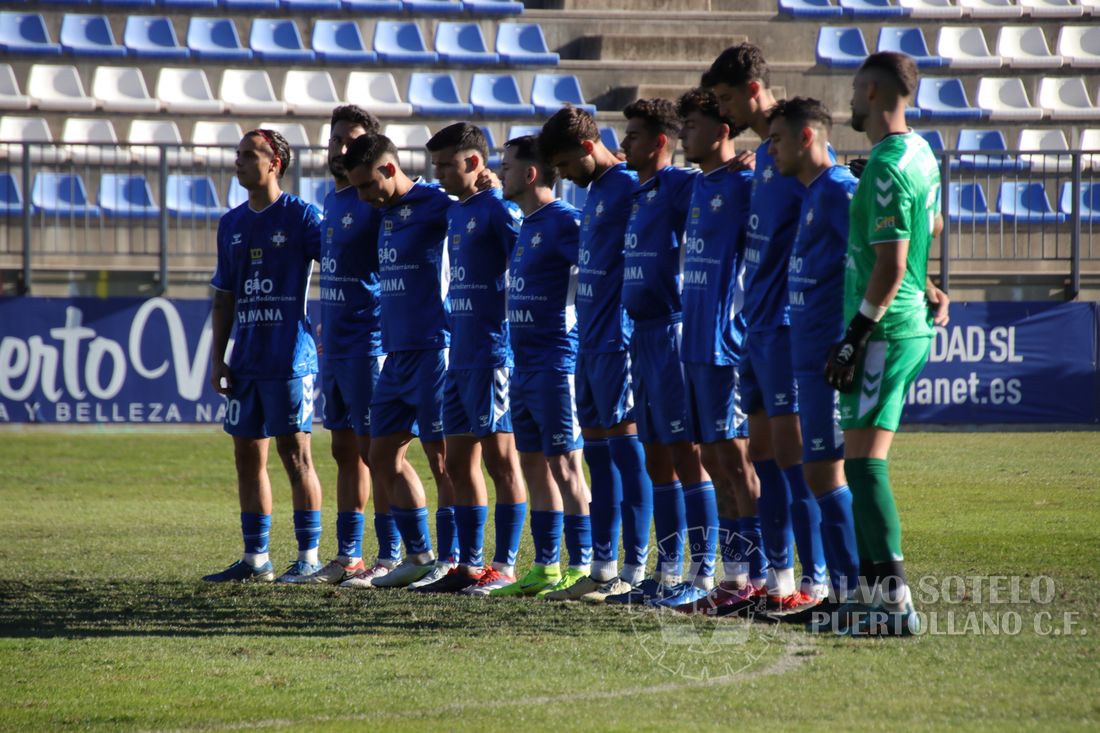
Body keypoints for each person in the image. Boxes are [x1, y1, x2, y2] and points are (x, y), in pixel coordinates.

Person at [821, 52, 947, 635]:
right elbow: (932, 227)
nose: (849, 100)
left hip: (887, 329)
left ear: (872, 92)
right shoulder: (922, 151)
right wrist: (929, 283)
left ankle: (894, 601)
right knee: (859, 461)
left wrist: (856, 334)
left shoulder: (887, 165)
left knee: (865, 466)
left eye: (853, 89)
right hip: (904, 320)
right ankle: (877, 594)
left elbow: (892, 262)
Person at [702, 44, 828, 614]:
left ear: (754, 89)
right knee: (763, 457)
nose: (723, 114)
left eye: (727, 99)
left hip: (784, 328)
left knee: (796, 458)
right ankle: (777, 580)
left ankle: (819, 579)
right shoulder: (761, 161)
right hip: (753, 329)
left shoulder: (800, 157)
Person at [288, 106, 404, 588]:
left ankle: (392, 554)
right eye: (334, 139)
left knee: (380, 452)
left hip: (369, 342)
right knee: (343, 450)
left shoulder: (378, 202)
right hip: (333, 345)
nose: (339, 148)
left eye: (350, 140)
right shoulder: (330, 202)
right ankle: (349, 556)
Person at [611, 97, 720, 609]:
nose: (623, 143)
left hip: (673, 332)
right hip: (643, 333)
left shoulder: (679, 185)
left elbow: (718, 189)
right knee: (657, 455)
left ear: (659, 141)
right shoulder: (639, 193)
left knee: (686, 455)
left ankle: (701, 573)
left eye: (632, 136)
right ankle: (668, 570)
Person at [203, 129, 325, 583]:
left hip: (289, 359)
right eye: (236, 154)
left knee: (297, 456)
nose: (238, 162)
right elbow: (224, 297)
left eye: (249, 155)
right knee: (246, 455)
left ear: (275, 163)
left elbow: (342, 268)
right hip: (247, 360)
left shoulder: (303, 217)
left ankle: (309, 557)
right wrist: (219, 359)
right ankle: (256, 561)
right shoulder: (231, 223)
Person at [540, 108, 651, 602]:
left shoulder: (628, 185)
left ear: (588, 148)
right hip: (589, 341)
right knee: (600, 460)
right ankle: (604, 568)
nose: (560, 175)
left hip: (619, 341)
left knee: (629, 456)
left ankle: (637, 567)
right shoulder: (597, 193)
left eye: (564, 164)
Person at [413, 122, 528, 594]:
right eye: (435, 165)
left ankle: (505, 565)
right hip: (459, 353)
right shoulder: (459, 213)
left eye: (445, 165)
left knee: (502, 461)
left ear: (474, 163)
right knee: (458, 462)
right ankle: (469, 563)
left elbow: (532, 267)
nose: (438, 174)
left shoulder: (501, 211)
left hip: (491, 354)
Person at [342, 133, 458, 589]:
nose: (366, 198)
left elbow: (480, 219)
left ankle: (451, 559)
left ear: (390, 169)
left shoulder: (437, 204)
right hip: (397, 352)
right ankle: (419, 554)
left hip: (435, 348)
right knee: (380, 453)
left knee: (443, 460)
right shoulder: (385, 212)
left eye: (369, 186)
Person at [765, 97, 862, 619]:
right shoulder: (810, 193)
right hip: (806, 356)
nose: (770, 148)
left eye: (777, 138)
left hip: (830, 358)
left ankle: (851, 594)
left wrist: (853, 341)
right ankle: (842, 594)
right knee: (816, 472)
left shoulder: (839, 191)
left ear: (806, 137)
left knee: (827, 474)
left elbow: (878, 257)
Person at [674, 88, 769, 616]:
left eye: (694, 124)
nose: (686, 132)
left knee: (736, 463)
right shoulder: (694, 185)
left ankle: (755, 578)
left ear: (722, 130)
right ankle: (733, 580)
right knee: (712, 458)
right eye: (683, 126)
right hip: (693, 341)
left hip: (725, 343)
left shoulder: (747, 182)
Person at [489, 135, 589, 599]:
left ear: (530, 174)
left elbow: (595, 277)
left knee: (567, 466)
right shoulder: (526, 224)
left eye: (507, 166)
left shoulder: (565, 221)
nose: (500, 172)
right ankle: (546, 566)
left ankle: (584, 565)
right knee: (534, 466)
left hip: (556, 363)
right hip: (523, 364)